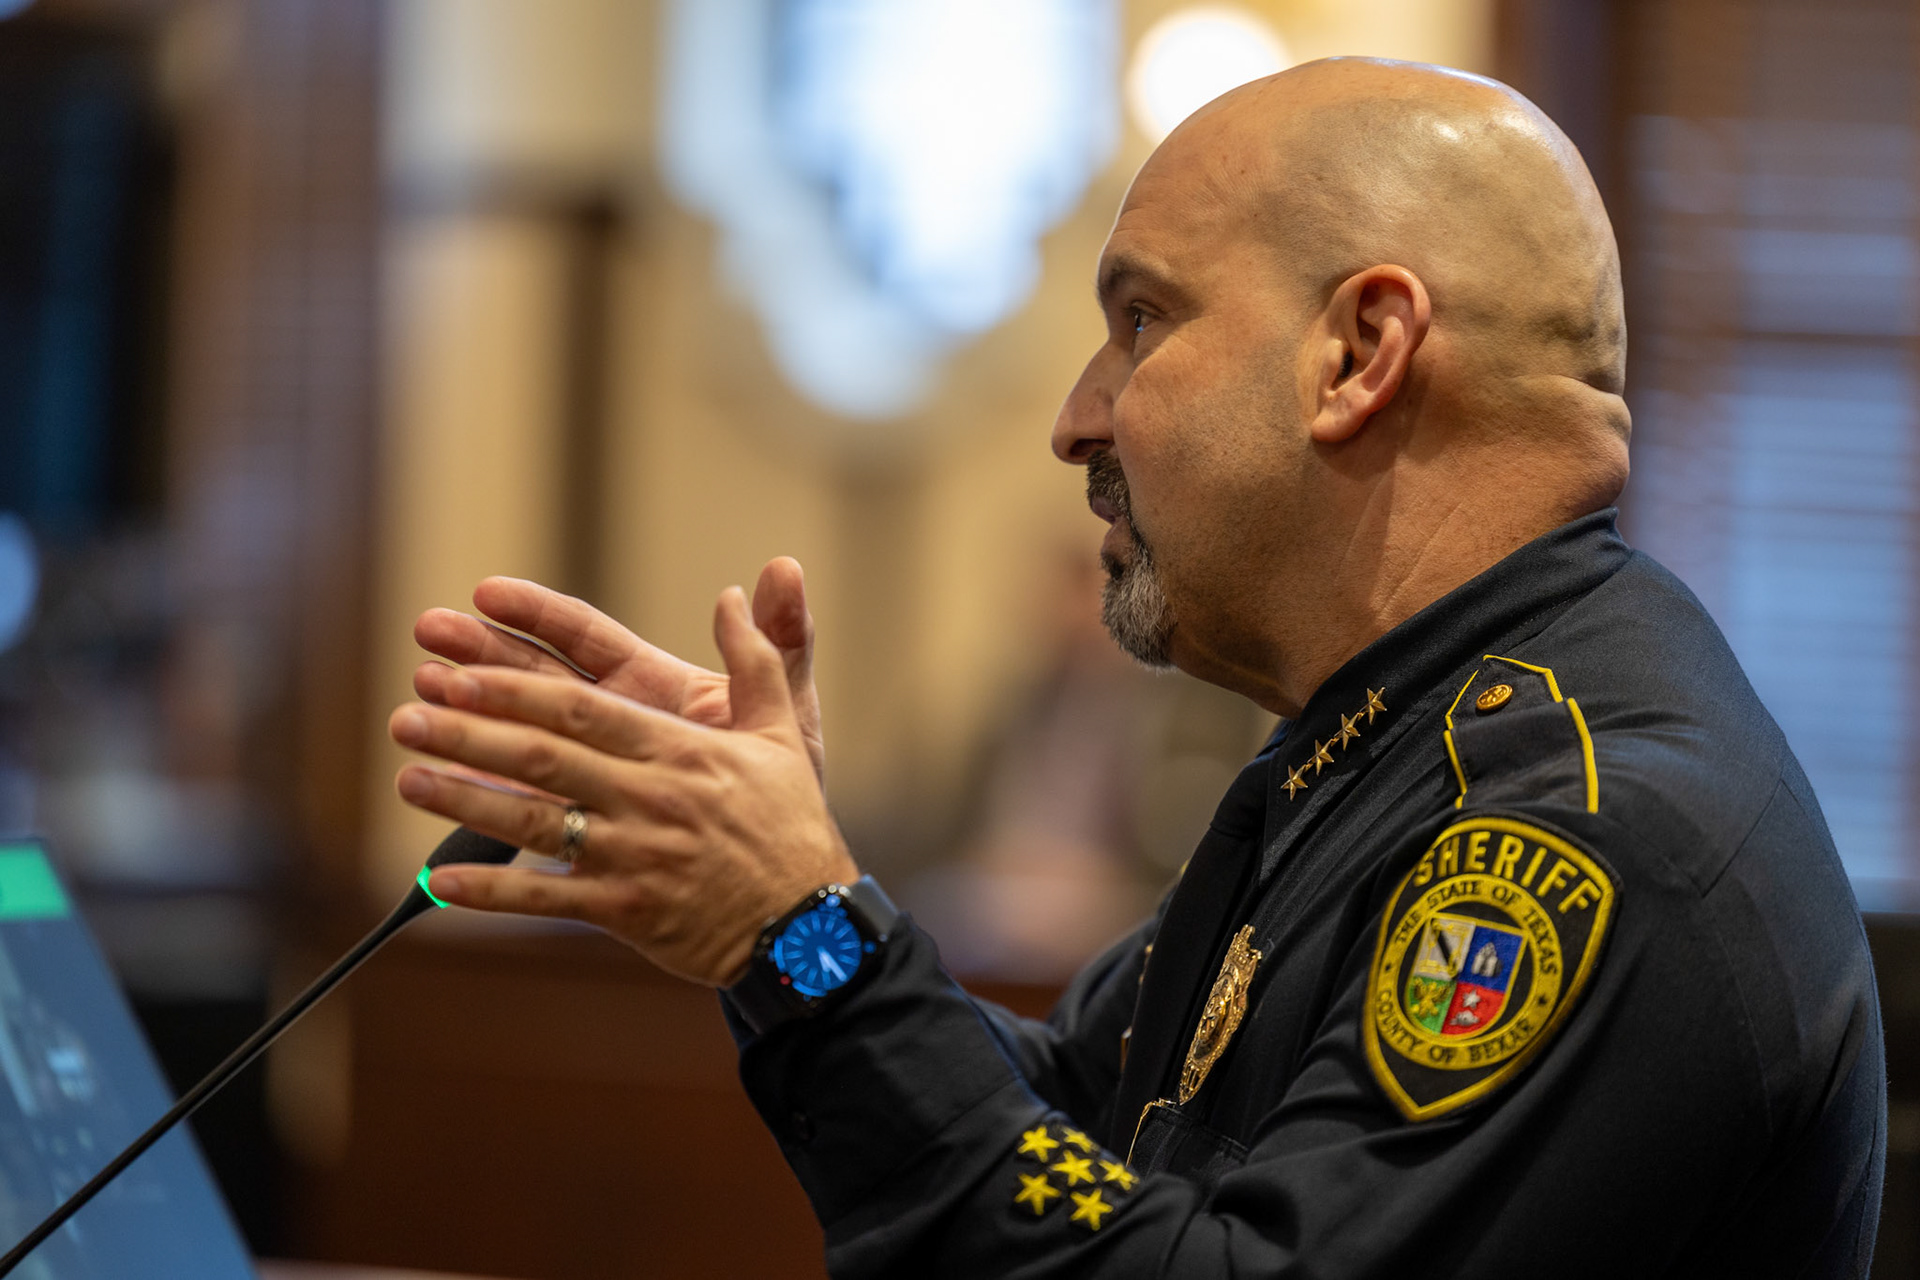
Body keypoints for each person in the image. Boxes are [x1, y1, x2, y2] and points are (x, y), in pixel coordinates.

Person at [385, 58, 1885, 1277]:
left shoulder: (1581, 831)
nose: (1076, 418)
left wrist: (805, 920)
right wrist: (781, 912)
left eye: (1142, 321)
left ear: (1361, 354)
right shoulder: (1380, 742)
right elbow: (1079, 1147)